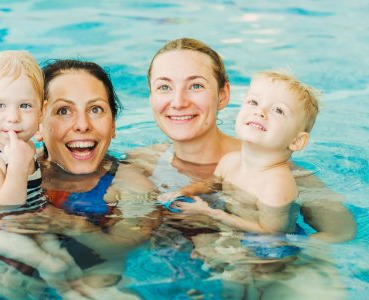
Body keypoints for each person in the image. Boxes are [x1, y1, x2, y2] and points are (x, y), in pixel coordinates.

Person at [129, 37, 356, 243]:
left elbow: (340, 232)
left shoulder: (274, 168)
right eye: (164, 87)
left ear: (223, 95)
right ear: (151, 97)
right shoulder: (140, 163)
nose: (178, 102)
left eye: (196, 85)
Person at [0, 50, 83, 296]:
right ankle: (51, 272)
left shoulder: (26, 149)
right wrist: (16, 166)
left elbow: (34, 197)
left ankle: (71, 288)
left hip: (25, 221)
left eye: (25, 106)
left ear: (41, 111)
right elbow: (7, 204)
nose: (13, 118)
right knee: (47, 261)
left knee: (62, 256)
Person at [161, 70, 319, 235]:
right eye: (253, 102)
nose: (259, 112)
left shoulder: (276, 184)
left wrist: (211, 214)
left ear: (296, 141)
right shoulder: (230, 161)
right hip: (234, 227)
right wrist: (186, 191)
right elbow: (211, 184)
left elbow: (271, 232)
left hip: (268, 248)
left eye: (278, 110)